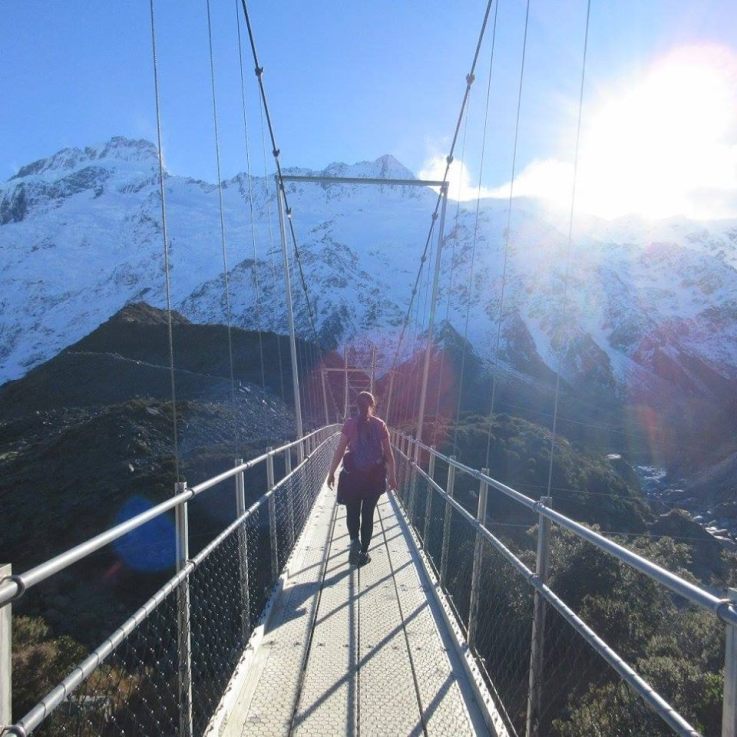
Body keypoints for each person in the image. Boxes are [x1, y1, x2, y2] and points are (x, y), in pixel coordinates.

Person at [327, 391, 398, 566]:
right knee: (368, 515)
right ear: (372, 406)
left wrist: (331, 473)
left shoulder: (349, 424)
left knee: (352, 512)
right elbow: (388, 454)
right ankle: (364, 552)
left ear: (356, 405)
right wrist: (393, 476)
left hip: (352, 478)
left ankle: (353, 542)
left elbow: (340, 450)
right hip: (374, 478)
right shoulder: (380, 425)